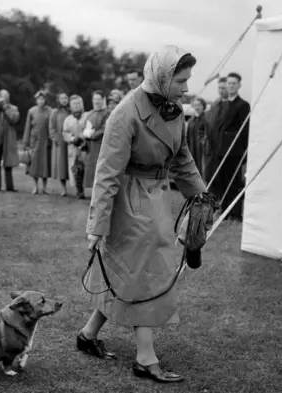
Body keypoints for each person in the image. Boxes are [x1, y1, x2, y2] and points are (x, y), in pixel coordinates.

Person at [78, 46, 206, 383]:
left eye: (187, 81)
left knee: (128, 274)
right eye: (181, 80)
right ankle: (145, 358)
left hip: (158, 198)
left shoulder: (174, 109)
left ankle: (88, 334)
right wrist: (97, 225)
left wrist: (201, 195)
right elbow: (106, 173)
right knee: (146, 274)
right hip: (130, 202)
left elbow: (182, 158)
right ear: (162, 78)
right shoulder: (126, 112)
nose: (186, 88)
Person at [210, 72, 250, 221]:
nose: (231, 86)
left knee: (234, 181)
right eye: (229, 83)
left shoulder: (243, 105)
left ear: (239, 86)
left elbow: (245, 129)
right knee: (222, 180)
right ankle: (225, 210)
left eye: (234, 83)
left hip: (234, 150)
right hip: (221, 148)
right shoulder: (224, 104)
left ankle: (235, 213)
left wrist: (244, 151)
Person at [23, 90, 53, 195]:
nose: (41, 101)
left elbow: (52, 127)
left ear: (45, 100)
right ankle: (35, 186)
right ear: (36, 100)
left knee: (45, 165)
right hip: (34, 141)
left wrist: (52, 139)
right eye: (39, 99)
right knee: (34, 165)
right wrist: (26, 143)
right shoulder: (31, 111)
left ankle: (44, 187)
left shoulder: (50, 111)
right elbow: (27, 127)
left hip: (46, 141)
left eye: (42, 99)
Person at [82, 90, 110, 190]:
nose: (96, 102)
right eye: (95, 99)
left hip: (101, 146)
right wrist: (85, 133)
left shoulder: (107, 113)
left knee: (101, 169)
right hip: (90, 147)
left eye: (98, 99)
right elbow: (85, 126)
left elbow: (105, 128)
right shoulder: (90, 113)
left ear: (103, 100)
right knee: (91, 170)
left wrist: (93, 135)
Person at [62, 95, 88, 199]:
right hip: (73, 147)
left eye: (78, 103)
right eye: (74, 104)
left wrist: (82, 137)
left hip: (85, 146)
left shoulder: (87, 116)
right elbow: (65, 133)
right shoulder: (68, 119)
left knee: (86, 168)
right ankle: (79, 191)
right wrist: (72, 139)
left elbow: (90, 127)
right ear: (70, 106)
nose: (76, 106)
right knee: (75, 169)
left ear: (82, 105)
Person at [205, 76, 228, 184]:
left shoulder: (231, 106)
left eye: (223, 88)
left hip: (224, 148)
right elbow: (207, 122)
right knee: (211, 177)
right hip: (212, 147)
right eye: (219, 88)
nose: (221, 90)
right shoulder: (215, 105)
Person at [49, 92, 70, 196]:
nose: (64, 100)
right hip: (60, 142)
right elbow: (52, 128)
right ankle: (64, 188)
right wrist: (56, 138)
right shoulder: (55, 112)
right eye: (62, 98)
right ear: (58, 100)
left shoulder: (72, 111)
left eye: (66, 97)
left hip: (72, 141)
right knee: (62, 166)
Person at [186, 97, 211, 179]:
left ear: (203, 106)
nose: (197, 107)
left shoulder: (207, 119)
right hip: (192, 149)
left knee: (203, 171)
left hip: (203, 150)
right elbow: (187, 137)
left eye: (199, 105)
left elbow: (209, 135)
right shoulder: (190, 121)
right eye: (195, 105)